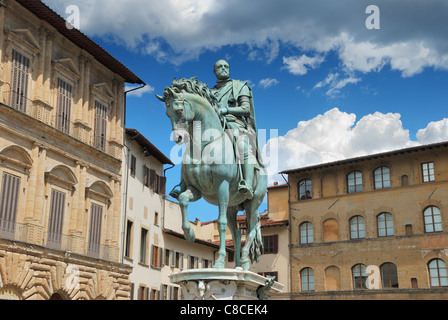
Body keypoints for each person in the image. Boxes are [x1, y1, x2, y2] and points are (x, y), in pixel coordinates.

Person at [212, 59, 260, 199]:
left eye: (226, 66)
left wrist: (226, 110)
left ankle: (248, 184)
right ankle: (184, 184)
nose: (223, 69)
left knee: (243, 147)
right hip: (216, 126)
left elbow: (246, 109)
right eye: (219, 67)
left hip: (236, 124)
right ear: (215, 71)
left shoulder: (239, 86)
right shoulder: (211, 92)